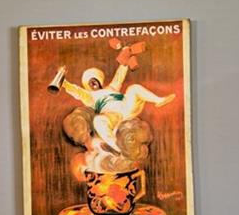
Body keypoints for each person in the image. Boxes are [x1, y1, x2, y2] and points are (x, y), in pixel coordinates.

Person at [48, 63, 176, 157]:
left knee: (134, 88)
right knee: (98, 120)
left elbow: (120, 74)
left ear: (99, 81)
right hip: (111, 117)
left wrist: (126, 56)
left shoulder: (112, 88)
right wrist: (63, 80)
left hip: (126, 108)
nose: (93, 84)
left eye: (94, 80)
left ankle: (158, 100)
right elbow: (76, 91)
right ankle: (116, 148)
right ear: (87, 85)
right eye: (89, 82)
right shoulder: (90, 97)